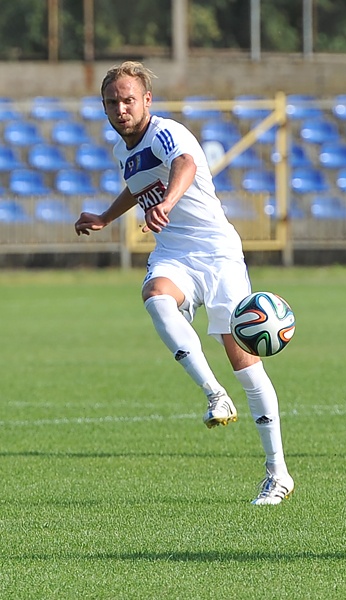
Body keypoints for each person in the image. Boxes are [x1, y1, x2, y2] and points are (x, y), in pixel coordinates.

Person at [74, 61, 293, 505]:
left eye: (128, 99)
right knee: (155, 298)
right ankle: (215, 397)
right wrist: (104, 216)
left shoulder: (167, 133)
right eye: (112, 102)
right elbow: (139, 188)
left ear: (146, 100)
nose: (121, 109)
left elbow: (186, 164)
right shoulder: (124, 151)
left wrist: (169, 203)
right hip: (174, 253)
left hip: (217, 253)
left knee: (245, 363)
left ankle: (278, 474)